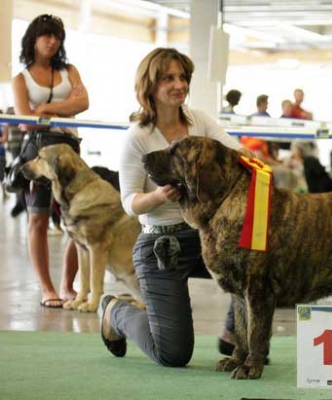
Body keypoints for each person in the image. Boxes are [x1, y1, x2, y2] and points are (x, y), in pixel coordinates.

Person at [100, 48, 253, 366]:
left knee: (257, 265)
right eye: (168, 78)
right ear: (150, 86)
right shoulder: (137, 136)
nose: (179, 84)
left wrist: (254, 161)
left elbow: (238, 154)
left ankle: (232, 333)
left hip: (204, 237)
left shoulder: (201, 121)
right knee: (173, 354)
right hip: (161, 243)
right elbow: (129, 202)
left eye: (182, 77)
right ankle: (117, 311)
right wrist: (158, 196)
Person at [12, 14, 86, 308]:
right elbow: (26, 124)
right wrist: (63, 111)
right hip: (39, 153)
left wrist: (44, 108)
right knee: (38, 219)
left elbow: (84, 102)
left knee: (78, 219)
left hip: (70, 152)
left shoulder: (70, 70)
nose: (52, 41)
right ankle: (47, 288)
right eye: (46, 35)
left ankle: (68, 286)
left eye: (57, 35)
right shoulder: (21, 78)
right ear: (33, 38)